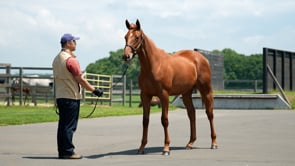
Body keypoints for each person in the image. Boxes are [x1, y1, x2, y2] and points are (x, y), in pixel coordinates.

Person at [52, 33, 103, 159]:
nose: (76, 43)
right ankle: (68, 152)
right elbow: (80, 79)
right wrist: (94, 90)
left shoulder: (57, 59)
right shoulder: (71, 60)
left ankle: (63, 151)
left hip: (60, 95)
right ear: (68, 43)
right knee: (69, 126)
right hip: (71, 96)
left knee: (63, 125)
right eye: (74, 41)